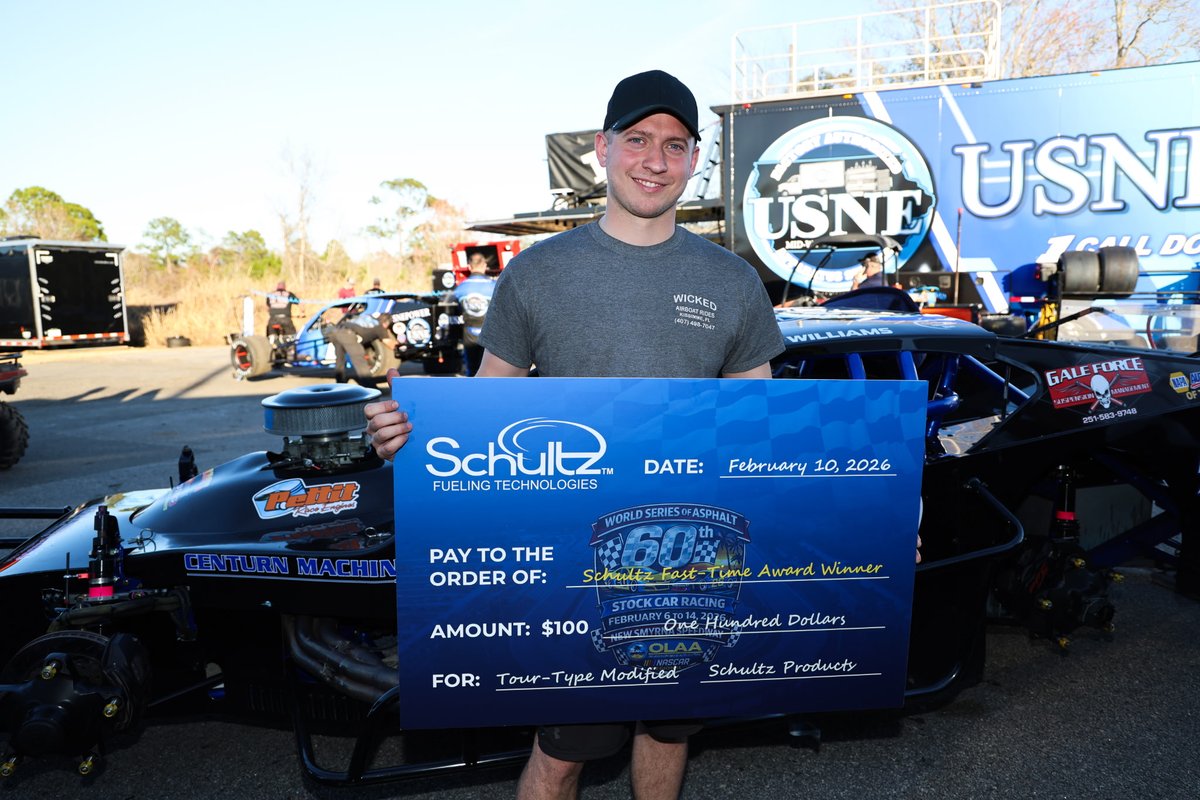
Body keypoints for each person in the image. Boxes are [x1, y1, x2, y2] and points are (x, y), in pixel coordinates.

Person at [366, 69, 784, 800]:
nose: (656, 159)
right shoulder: (537, 275)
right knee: (564, 751)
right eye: (639, 139)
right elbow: (487, 408)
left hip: (689, 554)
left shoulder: (731, 281)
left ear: (694, 161)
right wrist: (413, 439)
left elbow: (766, 431)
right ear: (603, 148)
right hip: (573, 556)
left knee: (667, 731)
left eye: (676, 145)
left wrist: (874, 517)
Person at [453, 253, 497, 375]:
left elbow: (454, 312)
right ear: (485, 266)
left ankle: (471, 393)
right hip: (490, 336)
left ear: (470, 267)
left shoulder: (460, 288)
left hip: (469, 335)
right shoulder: (494, 286)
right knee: (491, 372)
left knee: (472, 370)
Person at [324, 312, 394, 385]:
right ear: (386, 323)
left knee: (340, 360)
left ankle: (340, 384)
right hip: (347, 333)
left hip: (336, 331)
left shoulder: (370, 319)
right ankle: (370, 387)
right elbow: (389, 343)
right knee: (359, 358)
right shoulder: (380, 328)